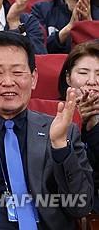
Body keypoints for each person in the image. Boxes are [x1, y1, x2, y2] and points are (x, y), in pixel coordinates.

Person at [0, 31, 93, 229]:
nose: (8, 82)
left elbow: (80, 207)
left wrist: (60, 146)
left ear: (33, 78)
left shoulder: (63, 131)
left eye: (18, 72)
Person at [57, 41, 99, 211]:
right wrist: (75, 121)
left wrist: (95, 125)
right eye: (83, 73)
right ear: (68, 78)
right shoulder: (52, 114)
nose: (92, 81)